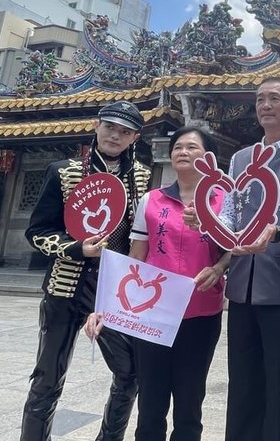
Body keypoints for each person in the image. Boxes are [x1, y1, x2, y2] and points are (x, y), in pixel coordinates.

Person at [185, 77, 280, 441]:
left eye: (275, 98)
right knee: (244, 382)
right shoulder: (240, 158)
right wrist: (209, 221)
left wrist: (279, 233)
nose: (265, 105)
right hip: (243, 286)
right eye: (260, 99)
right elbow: (232, 213)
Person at [86, 126, 229, 440]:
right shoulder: (152, 200)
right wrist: (104, 309)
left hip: (201, 312)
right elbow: (136, 259)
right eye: (178, 146)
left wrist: (218, 269)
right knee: (151, 399)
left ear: (208, 158)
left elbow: (233, 251)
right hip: (152, 314)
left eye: (191, 147)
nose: (182, 152)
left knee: (190, 400)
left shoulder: (224, 201)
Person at [21, 101, 152, 441]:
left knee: (129, 373)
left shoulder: (141, 176)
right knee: (48, 377)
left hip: (112, 289)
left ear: (134, 136)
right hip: (67, 284)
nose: (115, 135)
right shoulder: (63, 172)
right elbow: (36, 233)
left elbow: (139, 233)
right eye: (110, 126)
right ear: (97, 125)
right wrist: (77, 248)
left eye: (125, 131)